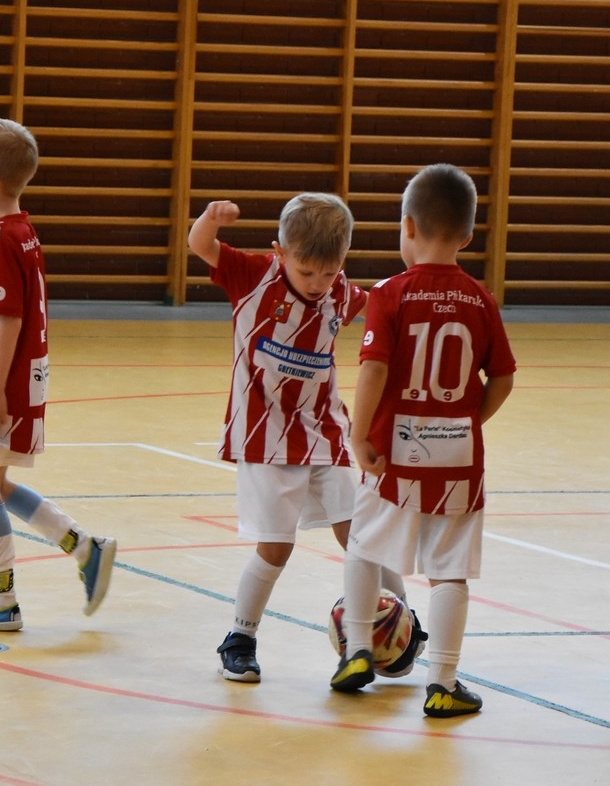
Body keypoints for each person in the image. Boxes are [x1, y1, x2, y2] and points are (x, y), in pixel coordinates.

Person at [190, 194, 421, 683]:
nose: (317, 283)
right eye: (306, 271)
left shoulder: (342, 293)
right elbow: (200, 245)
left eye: (329, 272)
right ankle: (240, 638)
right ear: (280, 253)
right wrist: (210, 220)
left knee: (362, 533)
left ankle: (404, 619)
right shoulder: (254, 276)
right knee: (276, 546)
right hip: (264, 435)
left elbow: (384, 307)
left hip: (325, 431)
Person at [330, 164, 514, 718]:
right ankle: (443, 682)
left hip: (393, 451)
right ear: (468, 235)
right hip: (458, 457)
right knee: (449, 569)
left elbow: (374, 368)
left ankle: (358, 651)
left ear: (407, 226)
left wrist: (359, 434)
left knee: (364, 546)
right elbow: (503, 377)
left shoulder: (390, 293)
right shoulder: (481, 299)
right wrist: (468, 421)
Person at [0, 118, 115, 632]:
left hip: (8, 384)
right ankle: (85, 548)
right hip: (7, 377)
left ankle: (2, 603)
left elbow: (10, 318)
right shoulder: (19, 231)